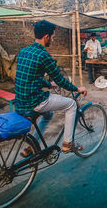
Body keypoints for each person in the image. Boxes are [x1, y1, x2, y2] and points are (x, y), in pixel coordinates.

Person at [15, 20, 87, 156]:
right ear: (46, 37)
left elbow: (30, 77)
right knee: (71, 104)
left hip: (20, 102)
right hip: (34, 102)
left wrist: (49, 84)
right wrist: (77, 89)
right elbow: (60, 80)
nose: (52, 40)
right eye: (52, 37)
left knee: (48, 114)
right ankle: (68, 144)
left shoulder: (23, 51)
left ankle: (33, 145)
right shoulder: (44, 56)